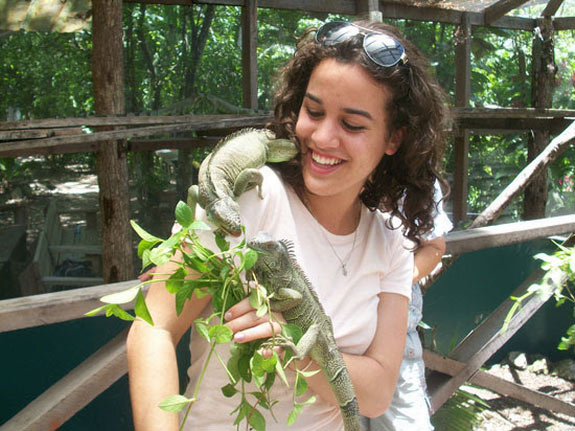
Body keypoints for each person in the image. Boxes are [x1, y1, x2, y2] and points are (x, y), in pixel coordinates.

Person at [126, 19, 449, 431]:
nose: (323, 137)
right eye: (313, 111)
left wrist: (292, 343)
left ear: (394, 139)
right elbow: (153, 329)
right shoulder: (253, 197)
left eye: (352, 125)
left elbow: (377, 393)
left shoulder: (391, 243)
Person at [362, 180, 452, 431]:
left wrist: (394, 280)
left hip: (398, 336)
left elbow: (434, 246)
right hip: (340, 335)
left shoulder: (418, 175)